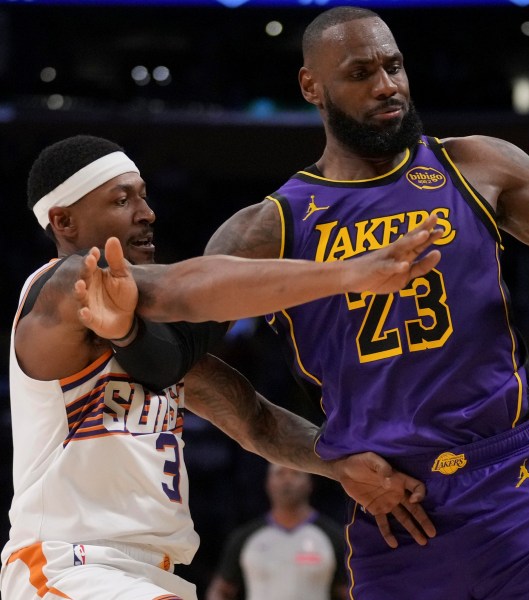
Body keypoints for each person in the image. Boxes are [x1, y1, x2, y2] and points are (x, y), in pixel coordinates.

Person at [197, 6, 529, 599]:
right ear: (312, 86)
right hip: (395, 510)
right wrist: (326, 461)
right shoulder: (271, 227)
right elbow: (177, 362)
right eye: (361, 73)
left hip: (516, 484)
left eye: (394, 66)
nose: (387, 86)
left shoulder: (473, 167)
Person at [0, 134, 442, 600]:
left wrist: (339, 465)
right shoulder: (62, 286)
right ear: (64, 220)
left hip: (149, 574)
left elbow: (252, 417)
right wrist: (349, 274)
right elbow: (184, 289)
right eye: (122, 199)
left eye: (144, 195)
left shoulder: (147, 340)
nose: (146, 213)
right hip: (68, 565)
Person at [205, 463, 347, 600]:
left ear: (310, 483)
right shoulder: (245, 537)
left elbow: (349, 591)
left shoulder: (333, 536)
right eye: (280, 473)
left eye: (295, 473)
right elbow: (220, 590)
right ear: (268, 483)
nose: (287, 480)